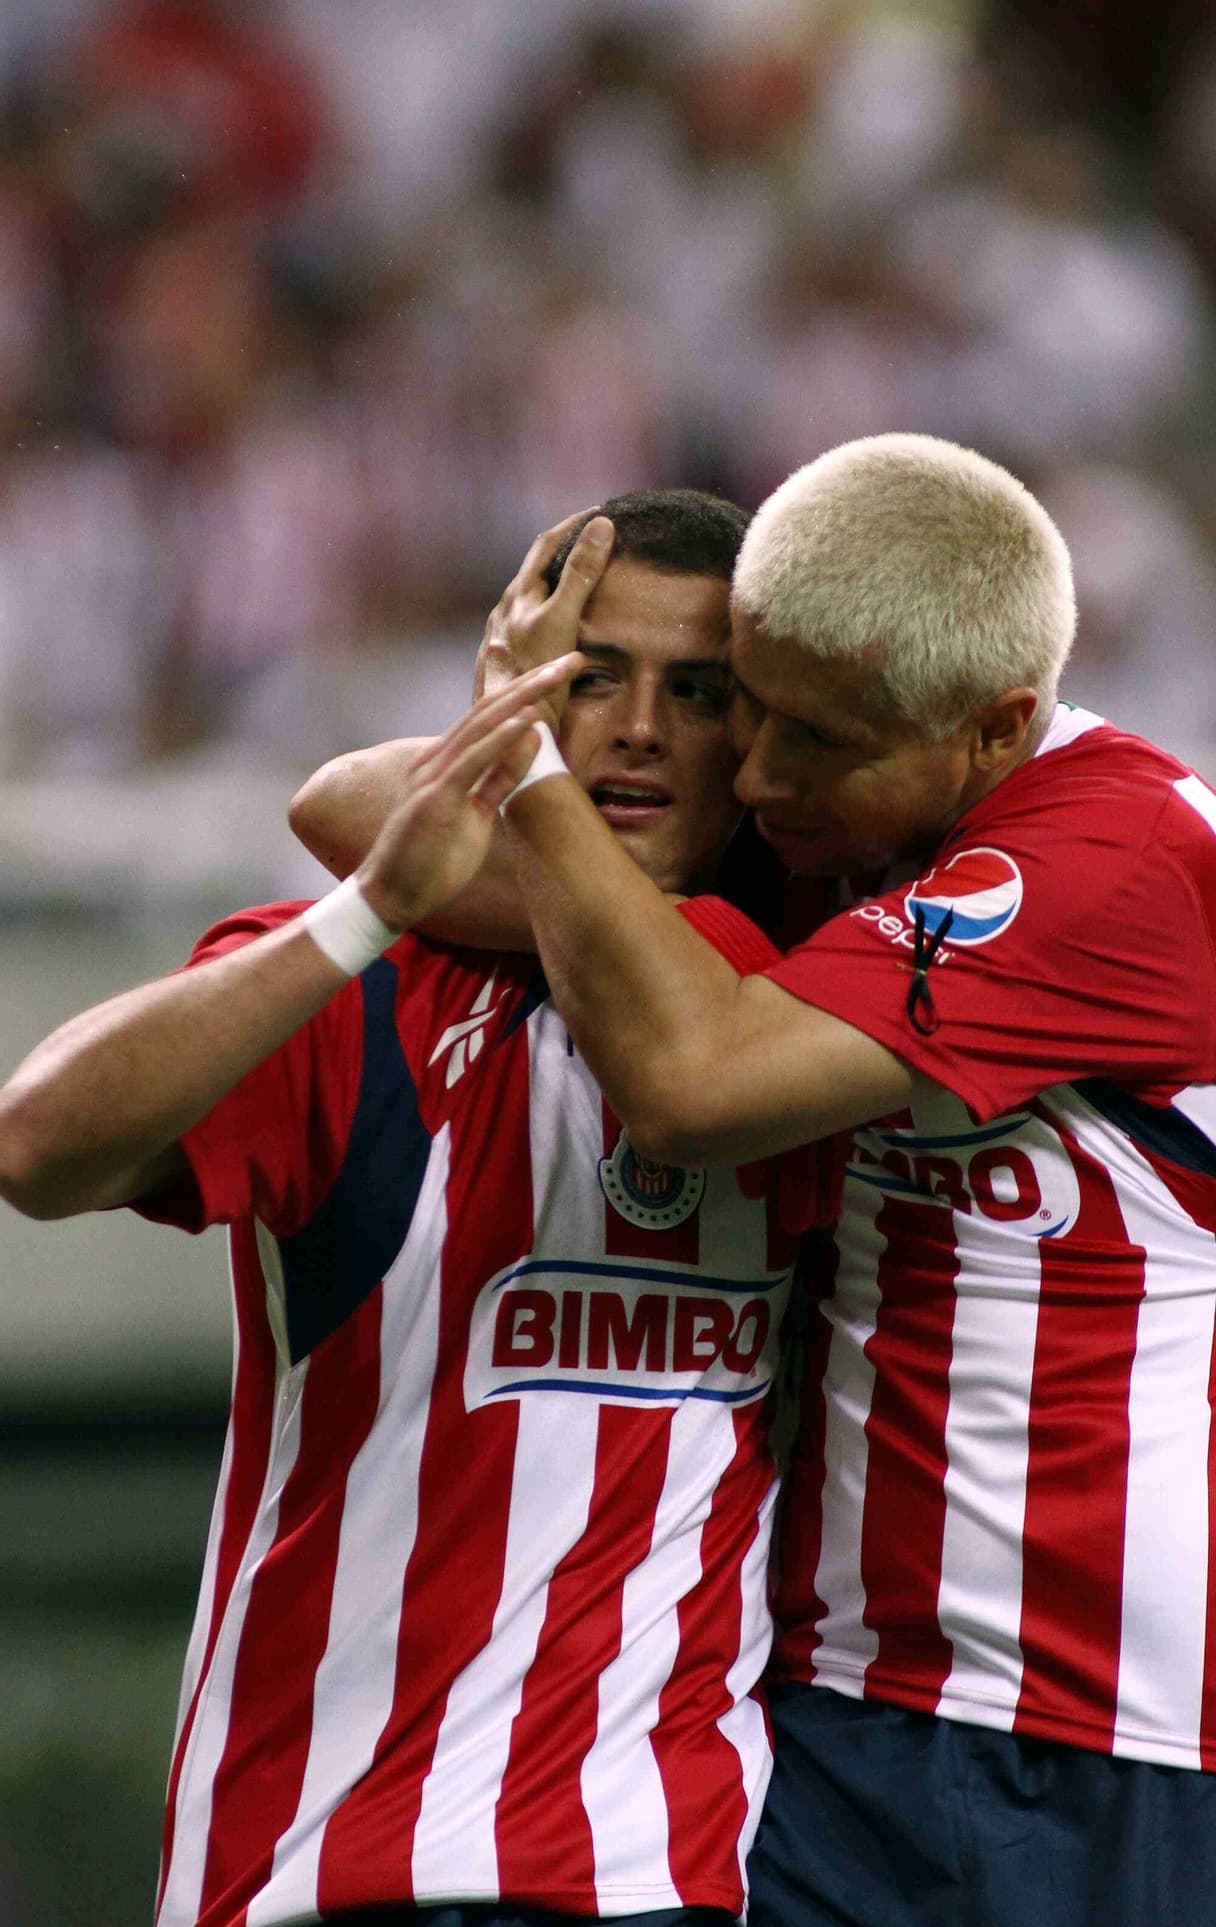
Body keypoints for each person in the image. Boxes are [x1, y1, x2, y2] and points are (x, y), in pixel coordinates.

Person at [406, 434, 1216, 1926]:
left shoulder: (1116, 849)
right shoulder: (843, 833)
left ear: (995, 729)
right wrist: (514, 759)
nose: (754, 777)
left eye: (817, 740)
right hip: (835, 1722)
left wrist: (529, 766)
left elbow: (690, 1092)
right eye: (751, 711)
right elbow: (360, 821)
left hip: (1142, 1735)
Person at [0, 489, 819, 1927]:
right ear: (518, 697)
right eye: (588, 679)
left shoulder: (806, 1018)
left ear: (760, 739)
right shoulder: (371, 989)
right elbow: (38, 1144)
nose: (635, 728)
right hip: (327, 1866)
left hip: (656, 1879)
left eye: (695, 693)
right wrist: (367, 905)